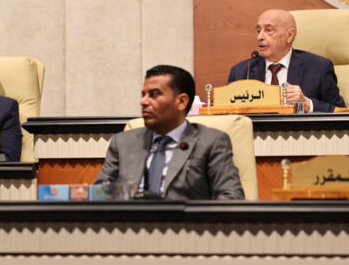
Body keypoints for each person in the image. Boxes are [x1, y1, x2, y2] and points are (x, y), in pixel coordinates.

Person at [95, 65, 245, 200]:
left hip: (185, 222)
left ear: (182, 102)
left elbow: (231, 197)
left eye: (154, 95)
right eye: (143, 95)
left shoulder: (210, 142)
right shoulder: (123, 143)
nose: (144, 102)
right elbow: (99, 196)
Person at [227, 9, 345, 112]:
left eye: (268, 30)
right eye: (258, 31)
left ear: (290, 35)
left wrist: (308, 104)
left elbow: (340, 112)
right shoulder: (242, 71)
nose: (260, 37)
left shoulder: (319, 67)